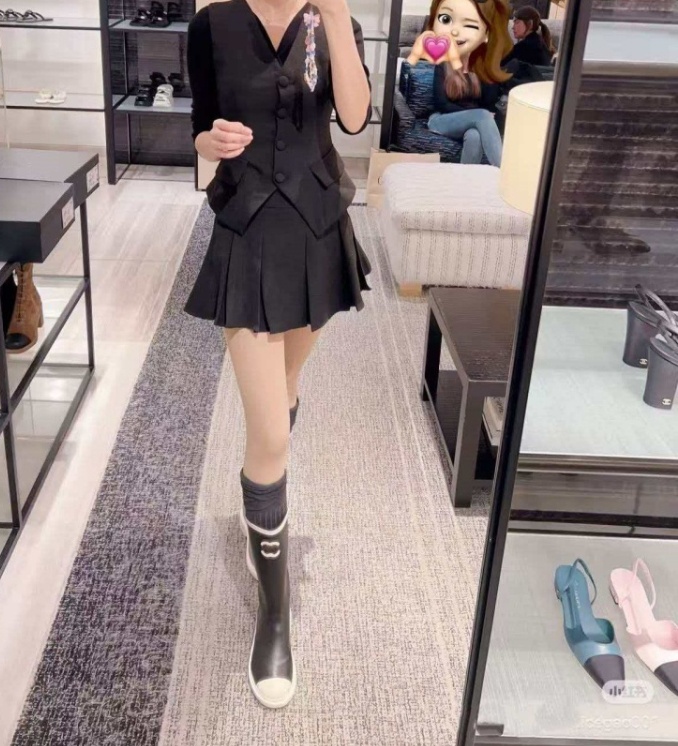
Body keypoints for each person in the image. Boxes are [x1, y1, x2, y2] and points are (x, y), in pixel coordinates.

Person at [184, 0, 372, 709]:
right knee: (269, 436)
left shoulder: (333, 22)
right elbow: (200, 128)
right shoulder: (212, 24)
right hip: (247, 231)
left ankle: (262, 508)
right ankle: (273, 615)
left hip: (318, 231)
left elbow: (354, 117)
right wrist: (212, 141)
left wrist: (339, 17)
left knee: (285, 396)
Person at [406, 0, 512, 166]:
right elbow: (441, 103)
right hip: (441, 119)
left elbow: (488, 101)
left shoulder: (479, 66)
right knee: (482, 115)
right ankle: (504, 172)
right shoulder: (443, 64)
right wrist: (473, 114)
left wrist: (489, 67)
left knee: (474, 136)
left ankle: (462, 179)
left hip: (472, 119)